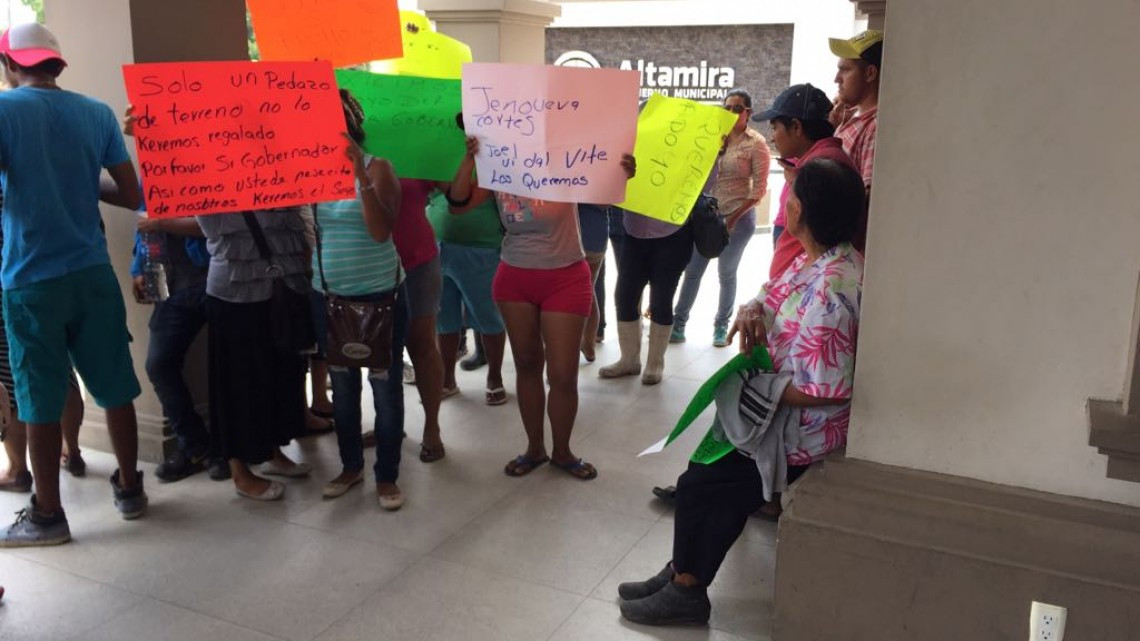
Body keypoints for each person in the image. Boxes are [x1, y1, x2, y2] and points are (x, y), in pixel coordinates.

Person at [619, 158, 865, 627]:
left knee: (701, 485)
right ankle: (682, 575)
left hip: (801, 433)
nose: (787, 203)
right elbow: (772, 293)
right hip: (777, 415)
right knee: (709, 474)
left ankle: (686, 589)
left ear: (800, 211)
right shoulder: (821, 259)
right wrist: (752, 309)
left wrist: (752, 386)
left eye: (792, 195)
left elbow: (828, 390)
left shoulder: (832, 290)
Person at [0, 23, 147, 547]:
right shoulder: (96, 113)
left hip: (31, 279)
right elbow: (131, 194)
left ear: (10, 64)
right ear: (56, 64)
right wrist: (80, 182)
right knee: (116, 386)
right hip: (92, 273)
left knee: (38, 398)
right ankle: (130, 489)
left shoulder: (3, 110)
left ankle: (48, 515)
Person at [449, 136, 636, 480]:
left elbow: (605, 195)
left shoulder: (564, 157)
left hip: (566, 276)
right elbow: (457, 204)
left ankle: (562, 452)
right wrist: (469, 158)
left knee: (563, 374)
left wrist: (622, 172)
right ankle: (534, 448)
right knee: (527, 365)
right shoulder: (499, 165)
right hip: (514, 276)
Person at [313, 91, 409, 509]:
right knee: (343, 388)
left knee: (385, 389)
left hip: (381, 294)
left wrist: (359, 175)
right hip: (328, 294)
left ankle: (387, 475)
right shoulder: (307, 173)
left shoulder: (378, 167)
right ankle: (350, 467)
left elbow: (380, 231)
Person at [599, 161, 720, 385]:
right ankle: (629, 360)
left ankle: (655, 364)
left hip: (673, 231)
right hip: (634, 229)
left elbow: (704, 183)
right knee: (624, 296)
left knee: (661, 300)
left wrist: (715, 155)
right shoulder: (633, 140)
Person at [672, 89, 771, 347]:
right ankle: (678, 324)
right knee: (692, 271)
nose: (731, 113)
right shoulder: (712, 136)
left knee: (726, 273)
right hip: (706, 217)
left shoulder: (757, 143)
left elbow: (758, 191)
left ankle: (721, 326)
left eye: (737, 108)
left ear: (748, 112)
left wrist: (732, 219)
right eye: (726, 108)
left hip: (738, 218)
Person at [130, 209, 221, 482]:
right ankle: (195, 445)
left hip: (217, 278)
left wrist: (161, 223)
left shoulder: (208, 180)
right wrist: (138, 269)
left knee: (228, 364)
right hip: (172, 287)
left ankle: (229, 450)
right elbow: (144, 224)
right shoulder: (150, 186)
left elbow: (217, 224)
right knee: (159, 365)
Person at [760, 84, 860, 280]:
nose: (772, 138)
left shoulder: (822, 169)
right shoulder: (819, 162)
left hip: (803, 286)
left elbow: (820, 243)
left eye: (774, 128)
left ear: (796, 127)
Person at [428, 168, 508, 406]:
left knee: (488, 316)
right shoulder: (437, 154)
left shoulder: (488, 155)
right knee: (444, 318)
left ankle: (495, 377)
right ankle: (447, 380)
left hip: (481, 247)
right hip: (437, 245)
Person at [390, 175, 447, 463]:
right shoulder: (343, 154)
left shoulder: (413, 146)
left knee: (422, 346)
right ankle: (389, 424)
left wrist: (466, 160)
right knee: (380, 353)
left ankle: (431, 427)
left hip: (417, 261)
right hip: (364, 264)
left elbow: (455, 195)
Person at [830, 29, 882, 249]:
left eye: (845, 70)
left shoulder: (876, 126)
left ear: (870, 73)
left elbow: (867, 199)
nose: (836, 79)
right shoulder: (850, 117)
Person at [577, 204, 609, 362]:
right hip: (596, 231)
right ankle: (589, 345)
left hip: (573, 233)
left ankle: (565, 349)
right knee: (588, 289)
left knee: (566, 295)